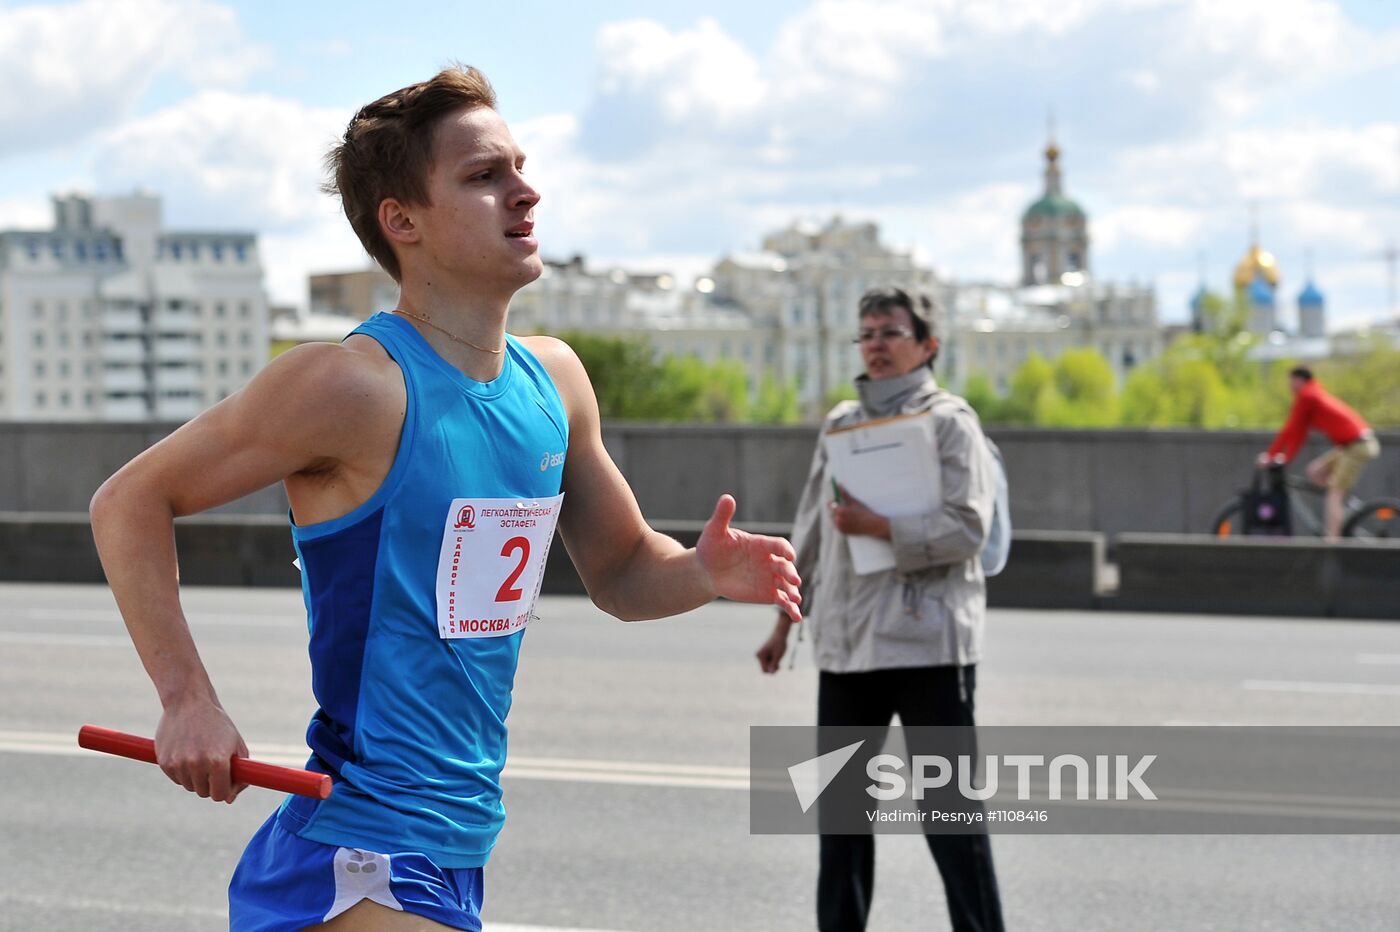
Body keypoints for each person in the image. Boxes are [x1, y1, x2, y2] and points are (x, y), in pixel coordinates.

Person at [89, 66, 802, 932]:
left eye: (520, 166)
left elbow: (619, 571)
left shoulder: (557, 383)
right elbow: (129, 499)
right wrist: (186, 700)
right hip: (363, 847)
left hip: (456, 846)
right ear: (402, 220)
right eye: (483, 176)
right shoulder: (351, 387)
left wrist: (700, 570)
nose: (525, 191)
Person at [756, 287, 1005, 932]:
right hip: (845, 645)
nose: (875, 343)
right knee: (841, 825)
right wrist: (785, 619)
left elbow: (969, 528)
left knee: (952, 825)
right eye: (866, 332)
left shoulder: (951, 422)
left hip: (928, 645)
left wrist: (880, 525)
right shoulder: (842, 422)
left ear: (927, 346)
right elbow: (810, 529)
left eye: (891, 331)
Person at [1257, 366, 1379, 539]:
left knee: (1334, 494)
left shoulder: (1308, 396)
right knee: (1315, 471)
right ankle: (1342, 509)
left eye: (1291, 381)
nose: (1289, 386)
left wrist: (1270, 456)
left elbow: (1289, 429)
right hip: (1348, 446)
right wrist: (1285, 458)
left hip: (1358, 446)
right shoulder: (1311, 395)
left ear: (1299, 380)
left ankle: (1333, 541)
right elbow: (1299, 432)